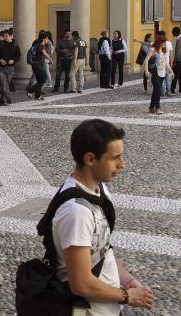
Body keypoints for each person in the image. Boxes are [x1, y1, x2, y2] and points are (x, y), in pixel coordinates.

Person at [45, 119, 155, 314]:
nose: (122, 164)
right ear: (90, 159)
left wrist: (127, 281)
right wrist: (127, 296)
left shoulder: (98, 191)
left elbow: (102, 252)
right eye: (115, 158)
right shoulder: (77, 213)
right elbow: (81, 284)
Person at [144, 35, 172, 114]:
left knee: (156, 91)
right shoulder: (153, 50)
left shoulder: (163, 51)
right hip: (155, 72)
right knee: (158, 90)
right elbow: (146, 60)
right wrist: (146, 71)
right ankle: (158, 107)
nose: (164, 44)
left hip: (162, 73)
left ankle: (151, 107)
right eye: (163, 43)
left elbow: (166, 62)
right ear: (159, 42)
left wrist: (171, 71)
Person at [0, 30, 20, 105]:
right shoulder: (1, 44)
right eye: (4, 36)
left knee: (5, 85)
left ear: (11, 36)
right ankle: (9, 99)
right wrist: (0, 59)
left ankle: (2, 100)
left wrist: (14, 60)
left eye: (6, 36)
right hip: (1, 68)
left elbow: (18, 55)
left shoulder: (15, 44)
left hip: (10, 68)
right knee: (3, 84)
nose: (4, 38)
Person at [28, 31, 54, 100]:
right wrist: (51, 60)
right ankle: (30, 91)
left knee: (39, 80)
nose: (47, 40)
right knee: (43, 79)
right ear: (43, 39)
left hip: (35, 65)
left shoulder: (37, 44)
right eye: (47, 39)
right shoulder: (41, 45)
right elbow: (44, 53)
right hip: (38, 65)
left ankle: (37, 96)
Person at [169, 28, 181, 94]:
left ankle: (179, 90)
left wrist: (173, 62)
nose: (172, 34)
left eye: (173, 32)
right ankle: (173, 89)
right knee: (177, 75)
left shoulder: (179, 40)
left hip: (178, 60)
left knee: (177, 75)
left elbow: (177, 53)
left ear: (176, 32)